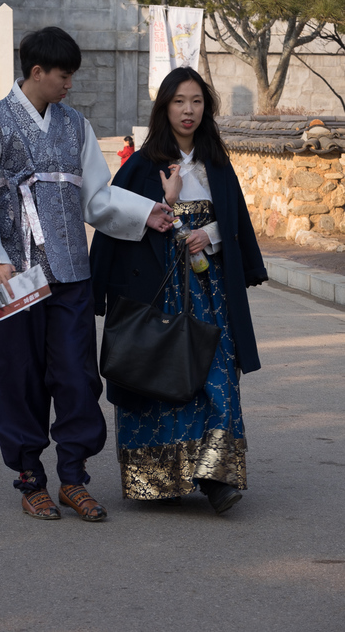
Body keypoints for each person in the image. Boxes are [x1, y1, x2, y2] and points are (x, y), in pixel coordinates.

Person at [0, 26, 173, 522]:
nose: (69, 84)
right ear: (37, 71)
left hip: (73, 274)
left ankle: (73, 477)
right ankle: (31, 478)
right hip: (13, 278)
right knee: (18, 377)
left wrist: (146, 213)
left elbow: (97, 196)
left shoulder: (75, 126)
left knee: (77, 378)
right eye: (64, 75)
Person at [90, 67, 268, 515]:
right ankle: (160, 476)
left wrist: (211, 234)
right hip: (156, 290)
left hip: (211, 294)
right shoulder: (142, 165)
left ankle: (216, 477)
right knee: (159, 378)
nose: (188, 111)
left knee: (219, 377)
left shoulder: (217, 166)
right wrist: (164, 206)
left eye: (196, 101)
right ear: (164, 107)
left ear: (206, 108)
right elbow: (111, 221)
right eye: (178, 102)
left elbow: (237, 226)